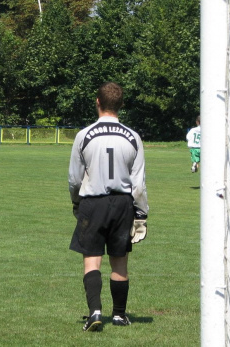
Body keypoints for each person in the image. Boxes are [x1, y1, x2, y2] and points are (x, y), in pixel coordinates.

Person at [68, 82, 149, 332]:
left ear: (98, 102)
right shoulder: (133, 137)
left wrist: (76, 203)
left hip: (92, 203)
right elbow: (138, 184)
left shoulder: (84, 135)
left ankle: (94, 313)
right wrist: (141, 215)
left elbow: (74, 178)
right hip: (123, 204)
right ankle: (119, 315)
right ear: (121, 105)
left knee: (92, 261)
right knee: (120, 263)